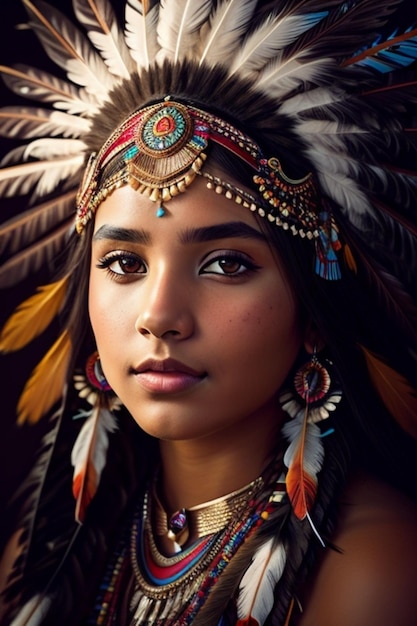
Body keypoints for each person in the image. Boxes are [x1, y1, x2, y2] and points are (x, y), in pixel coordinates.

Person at [1, 0, 417, 624]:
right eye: (123, 264)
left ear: (311, 305)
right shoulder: (45, 555)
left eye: (226, 264)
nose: (160, 316)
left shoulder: (373, 562)